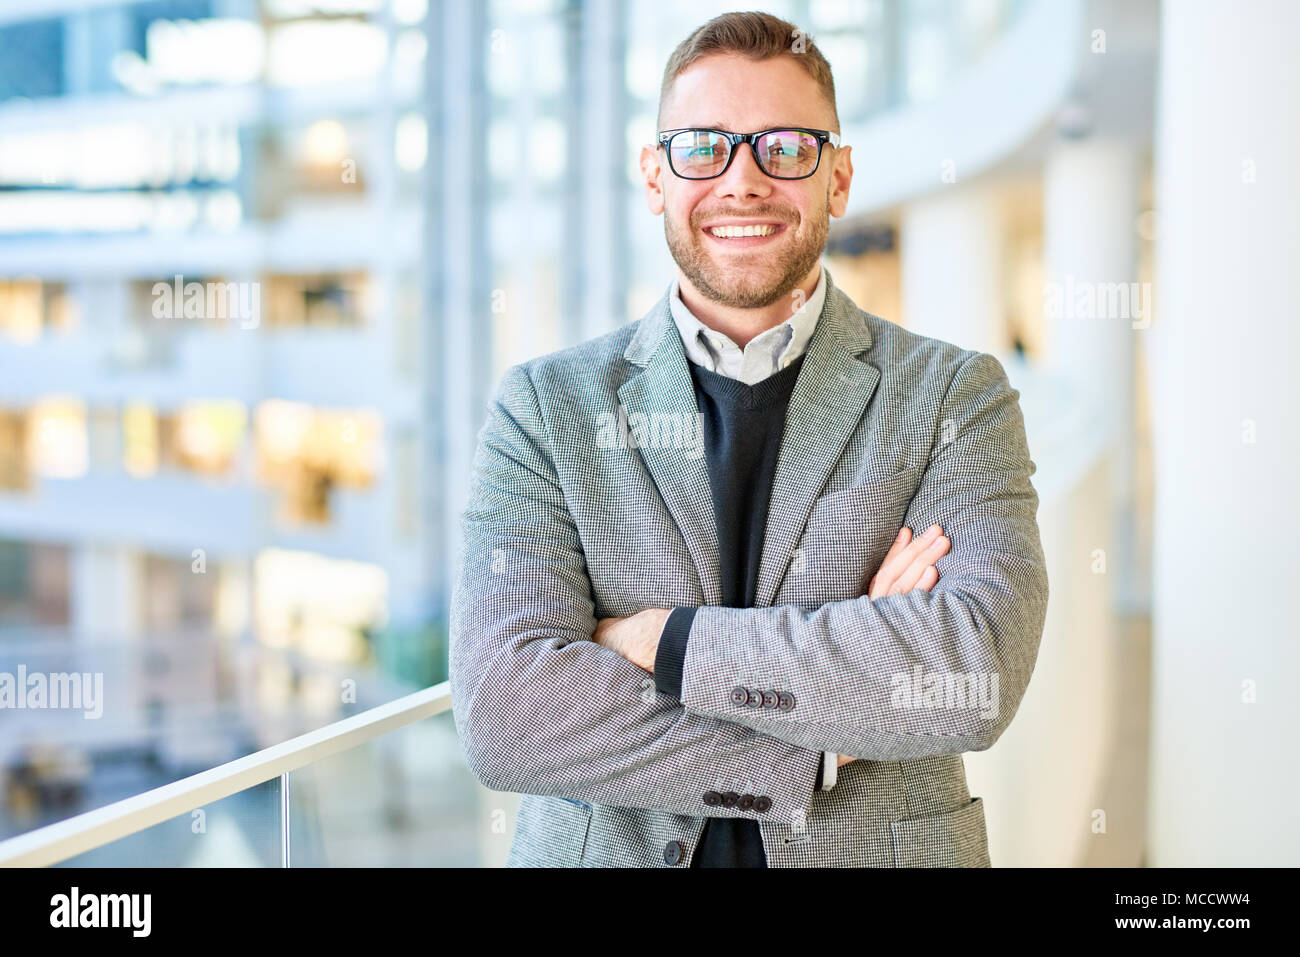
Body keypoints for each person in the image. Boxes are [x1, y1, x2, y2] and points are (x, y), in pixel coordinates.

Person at [449, 10, 1048, 868]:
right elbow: (508, 713)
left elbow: (972, 671)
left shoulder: (956, 395)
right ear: (655, 176)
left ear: (837, 179)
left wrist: (664, 641)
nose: (742, 182)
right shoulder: (544, 410)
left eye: (785, 148)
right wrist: (820, 738)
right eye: (704, 147)